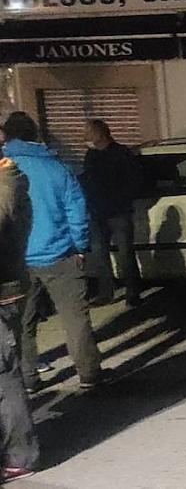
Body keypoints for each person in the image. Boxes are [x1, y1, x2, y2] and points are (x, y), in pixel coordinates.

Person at [1, 112, 104, 392]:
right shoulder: (57, 167)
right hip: (60, 254)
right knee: (75, 319)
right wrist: (80, 246)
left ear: (7, 136)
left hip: (16, 260)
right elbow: (77, 210)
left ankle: (28, 378)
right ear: (35, 134)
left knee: (22, 323)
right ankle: (89, 374)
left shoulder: (4, 168)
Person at [0, 156, 38, 482]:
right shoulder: (9, 182)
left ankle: (19, 454)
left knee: (4, 375)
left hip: (3, 292)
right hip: (9, 287)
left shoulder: (5, 187)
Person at [80, 119, 145, 307]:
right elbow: (88, 180)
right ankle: (106, 292)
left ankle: (133, 292)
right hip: (98, 213)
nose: (85, 137)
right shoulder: (91, 155)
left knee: (125, 254)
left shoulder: (121, 154)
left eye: (88, 133)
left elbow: (135, 182)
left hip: (118, 212)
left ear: (99, 134)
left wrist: (120, 200)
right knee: (100, 255)